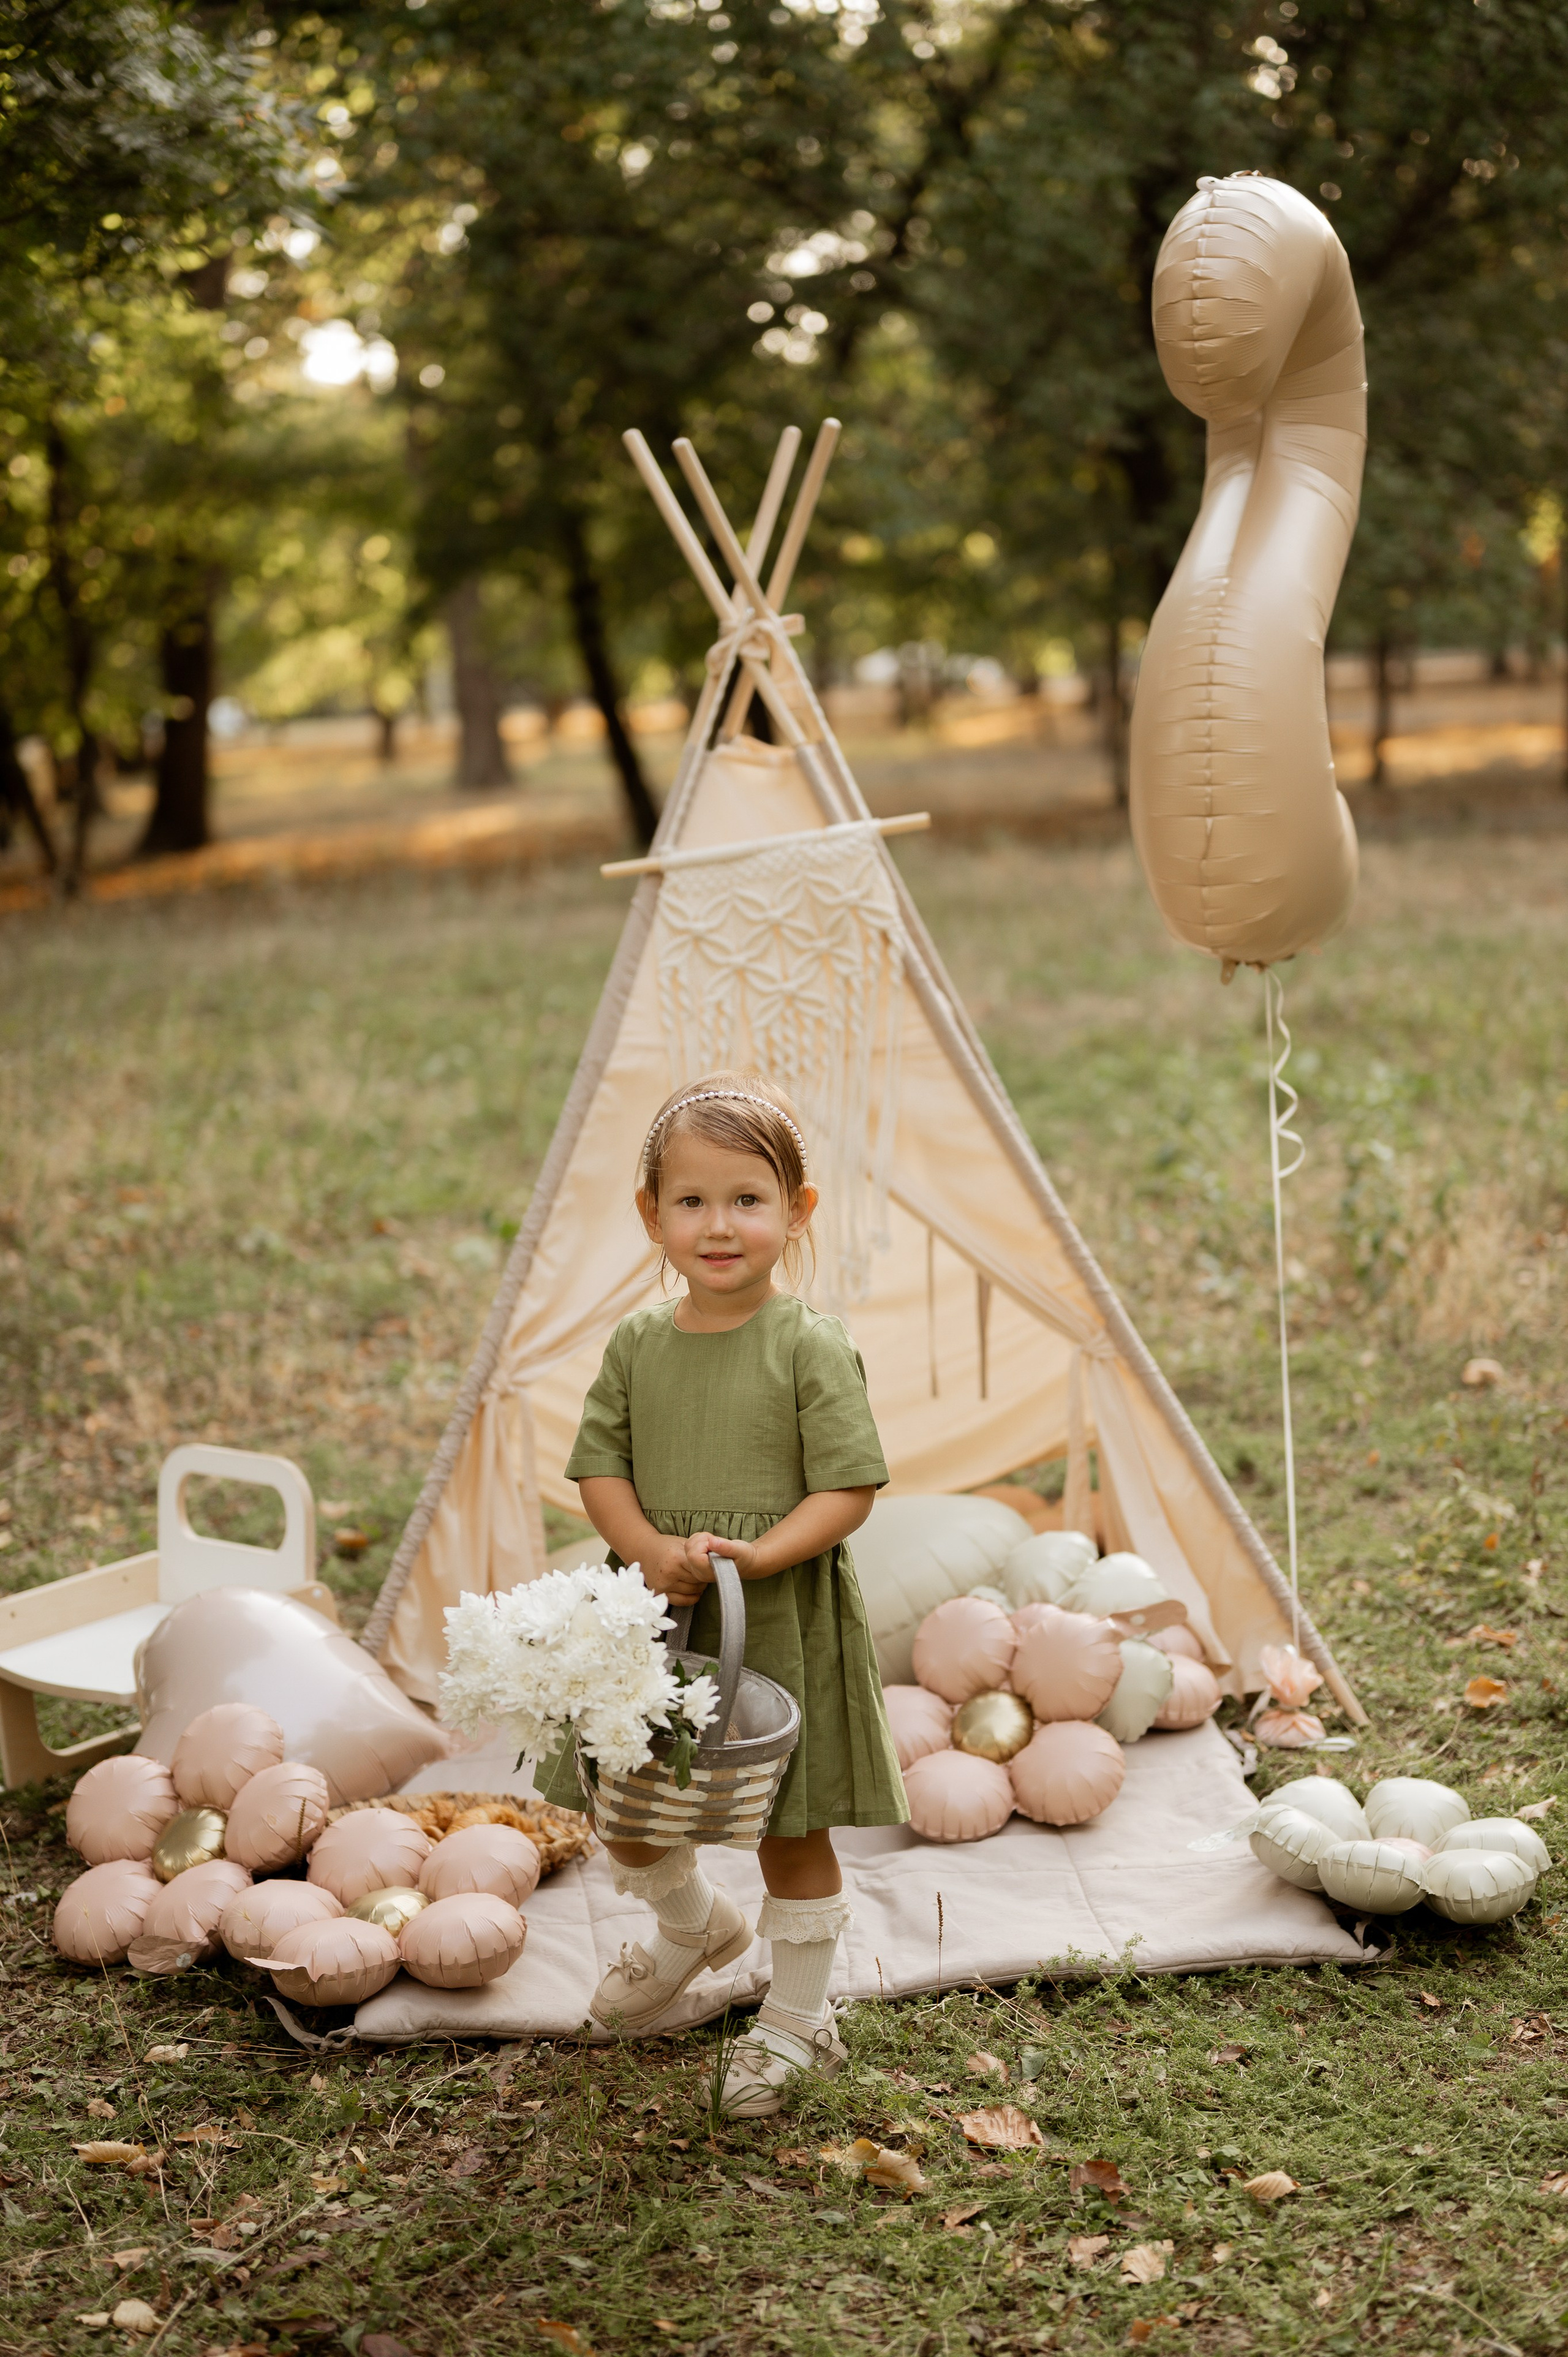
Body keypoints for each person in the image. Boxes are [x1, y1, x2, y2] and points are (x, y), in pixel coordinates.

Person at [538, 1071, 907, 2116]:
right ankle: (695, 1925)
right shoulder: (637, 1345)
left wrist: (763, 1555)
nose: (718, 1224)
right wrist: (646, 1548)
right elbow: (598, 1467)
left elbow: (848, 1489)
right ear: (651, 1215)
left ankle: (798, 2015)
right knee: (628, 1804)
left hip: (776, 1611)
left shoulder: (808, 1344)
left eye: (747, 1199)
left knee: (789, 1824)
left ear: (798, 1211)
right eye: (691, 1200)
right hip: (656, 1610)